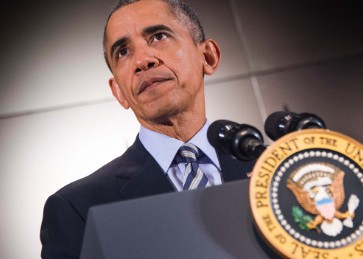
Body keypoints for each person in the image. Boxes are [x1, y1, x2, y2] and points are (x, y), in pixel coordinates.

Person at [40, 0, 254, 258]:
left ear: (208, 57)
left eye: (158, 36)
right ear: (119, 92)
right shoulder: (77, 208)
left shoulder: (276, 169)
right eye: (123, 52)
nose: (142, 61)